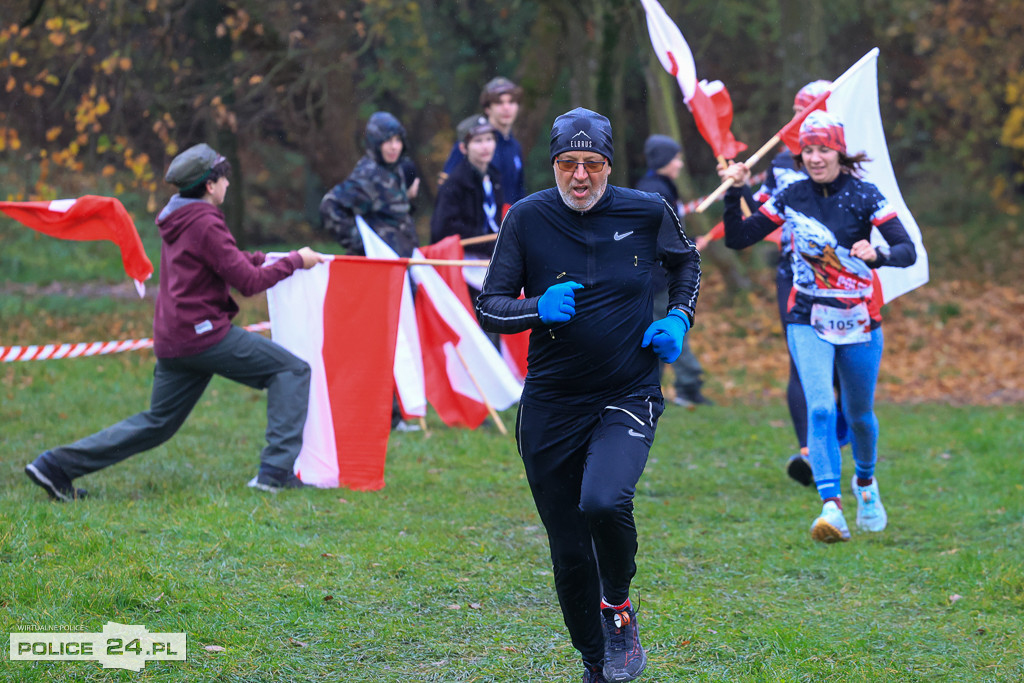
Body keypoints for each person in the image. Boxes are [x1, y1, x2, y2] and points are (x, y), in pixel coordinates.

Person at [477, 108, 701, 682]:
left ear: (608, 165)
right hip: (552, 402)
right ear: (554, 164)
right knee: (570, 549)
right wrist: (535, 308)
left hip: (627, 389)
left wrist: (677, 318)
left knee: (603, 500)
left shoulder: (647, 210)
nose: (580, 176)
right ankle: (595, 663)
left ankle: (619, 609)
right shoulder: (527, 218)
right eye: (568, 163)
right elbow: (489, 305)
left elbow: (686, 262)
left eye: (593, 163)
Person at [24, 143, 325, 501]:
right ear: (210, 185)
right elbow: (247, 283)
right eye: (224, 177)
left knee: (157, 424)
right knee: (291, 371)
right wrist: (294, 261)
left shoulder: (179, 216)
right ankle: (275, 472)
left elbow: (227, 261)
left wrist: (267, 258)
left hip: (175, 338)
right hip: (204, 337)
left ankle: (55, 466)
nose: (229, 183)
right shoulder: (205, 221)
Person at [720, 111, 916, 543]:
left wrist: (877, 253)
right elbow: (739, 237)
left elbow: (907, 250)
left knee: (860, 415)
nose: (814, 157)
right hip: (807, 315)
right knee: (822, 407)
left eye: (823, 149)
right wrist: (734, 193)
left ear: (840, 153)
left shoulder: (866, 195)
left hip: (859, 318)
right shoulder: (792, 195)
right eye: (807, 150)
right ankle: (832, 507)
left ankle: (865, 485)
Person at [696, 80, 846, 485]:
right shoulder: (781, 164)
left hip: (846, 280)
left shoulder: (852, 162)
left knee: (843, 366)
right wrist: (737, 185)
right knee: (803, 363)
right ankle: (810, 452)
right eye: (805, 115)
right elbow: (758, 214)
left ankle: (843, 438)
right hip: (795, 276)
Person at [635, 134, 713, 407]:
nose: (680, 164)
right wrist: (687, 247)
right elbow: (657, 238)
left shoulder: (661, 187)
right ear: (664, 160)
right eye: (676, 158)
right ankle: (688, 385)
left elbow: (671, 234)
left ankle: (647, 387)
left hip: (659, 275)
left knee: (659, 330)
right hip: (657, 278)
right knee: (672, 328)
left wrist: (688, 245)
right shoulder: (655, 191)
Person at [320, 111, 420, 257]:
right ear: (376, 143)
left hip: (397, 262)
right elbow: (329, 206)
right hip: (377, 265)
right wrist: (364, 244)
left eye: (398, 140)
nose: (394, 147)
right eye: (388, 141)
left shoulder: (395, 168)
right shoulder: (368, 175)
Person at [440, 77, 526, 206]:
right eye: (499, 103)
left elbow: (518, 191)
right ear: (487, 108)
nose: (506, 108)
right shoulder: (469, 143)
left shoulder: (515, 147)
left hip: (510, 223)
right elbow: (448, 191)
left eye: (511, 102)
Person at [430, 114, 505, 262]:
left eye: (489, 139)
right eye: (478, 141)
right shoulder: (455, 183)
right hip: (461, 259)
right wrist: (487, 242)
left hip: (490, 255)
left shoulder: (494, 177)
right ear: (463, 148)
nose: (485, 146)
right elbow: (443, 229)